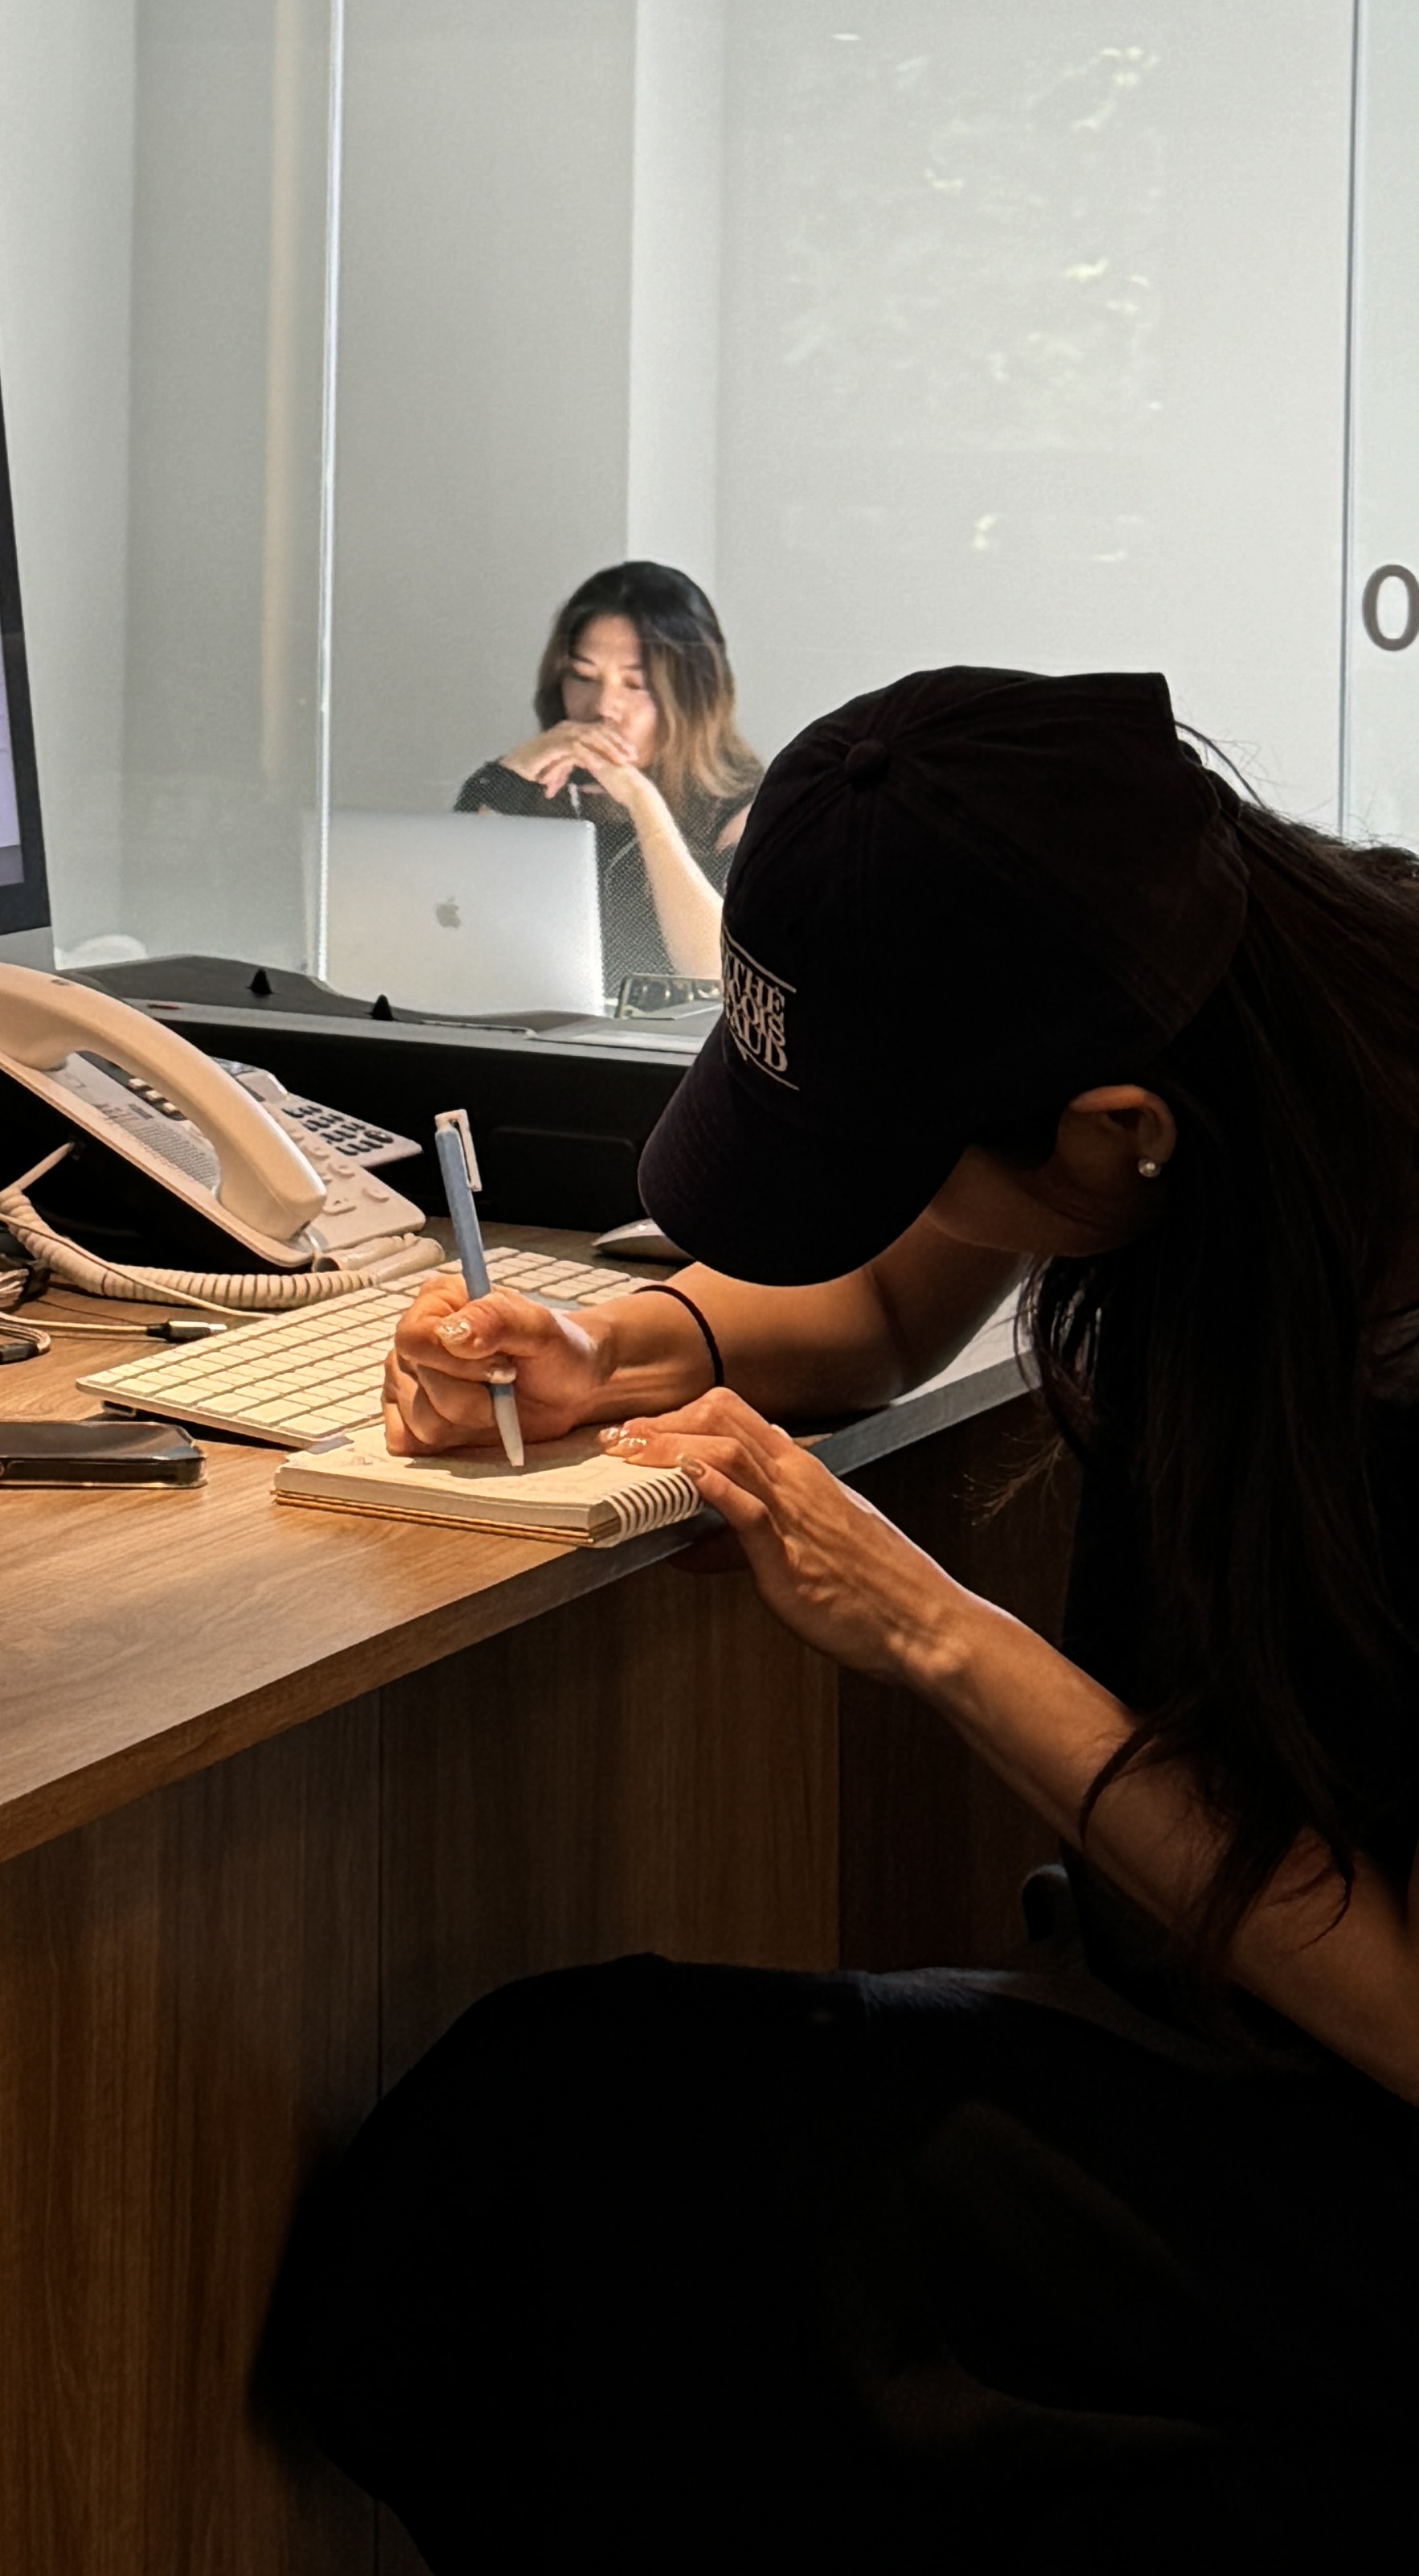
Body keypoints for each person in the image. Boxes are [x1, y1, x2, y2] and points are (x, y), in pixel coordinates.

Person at [259, 666, 1419, 2567]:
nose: (885, 1204)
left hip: (1365, 2147)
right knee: (518, 2178)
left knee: (546, 2210)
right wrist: (612, 1350)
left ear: (1119, 1132)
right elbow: (882, 1306)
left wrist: (934, 1631)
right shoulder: (1188, 988)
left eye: (894, 1153)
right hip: (1197, 2006)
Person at [454, 558, 760, 992]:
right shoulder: (522, 786)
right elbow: (448, 926)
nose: (602, 707)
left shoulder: (745, 808)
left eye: (635, 685)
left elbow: (719, 974)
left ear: (694, 694)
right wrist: (513, 775)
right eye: (582, 677)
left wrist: (643, 803)